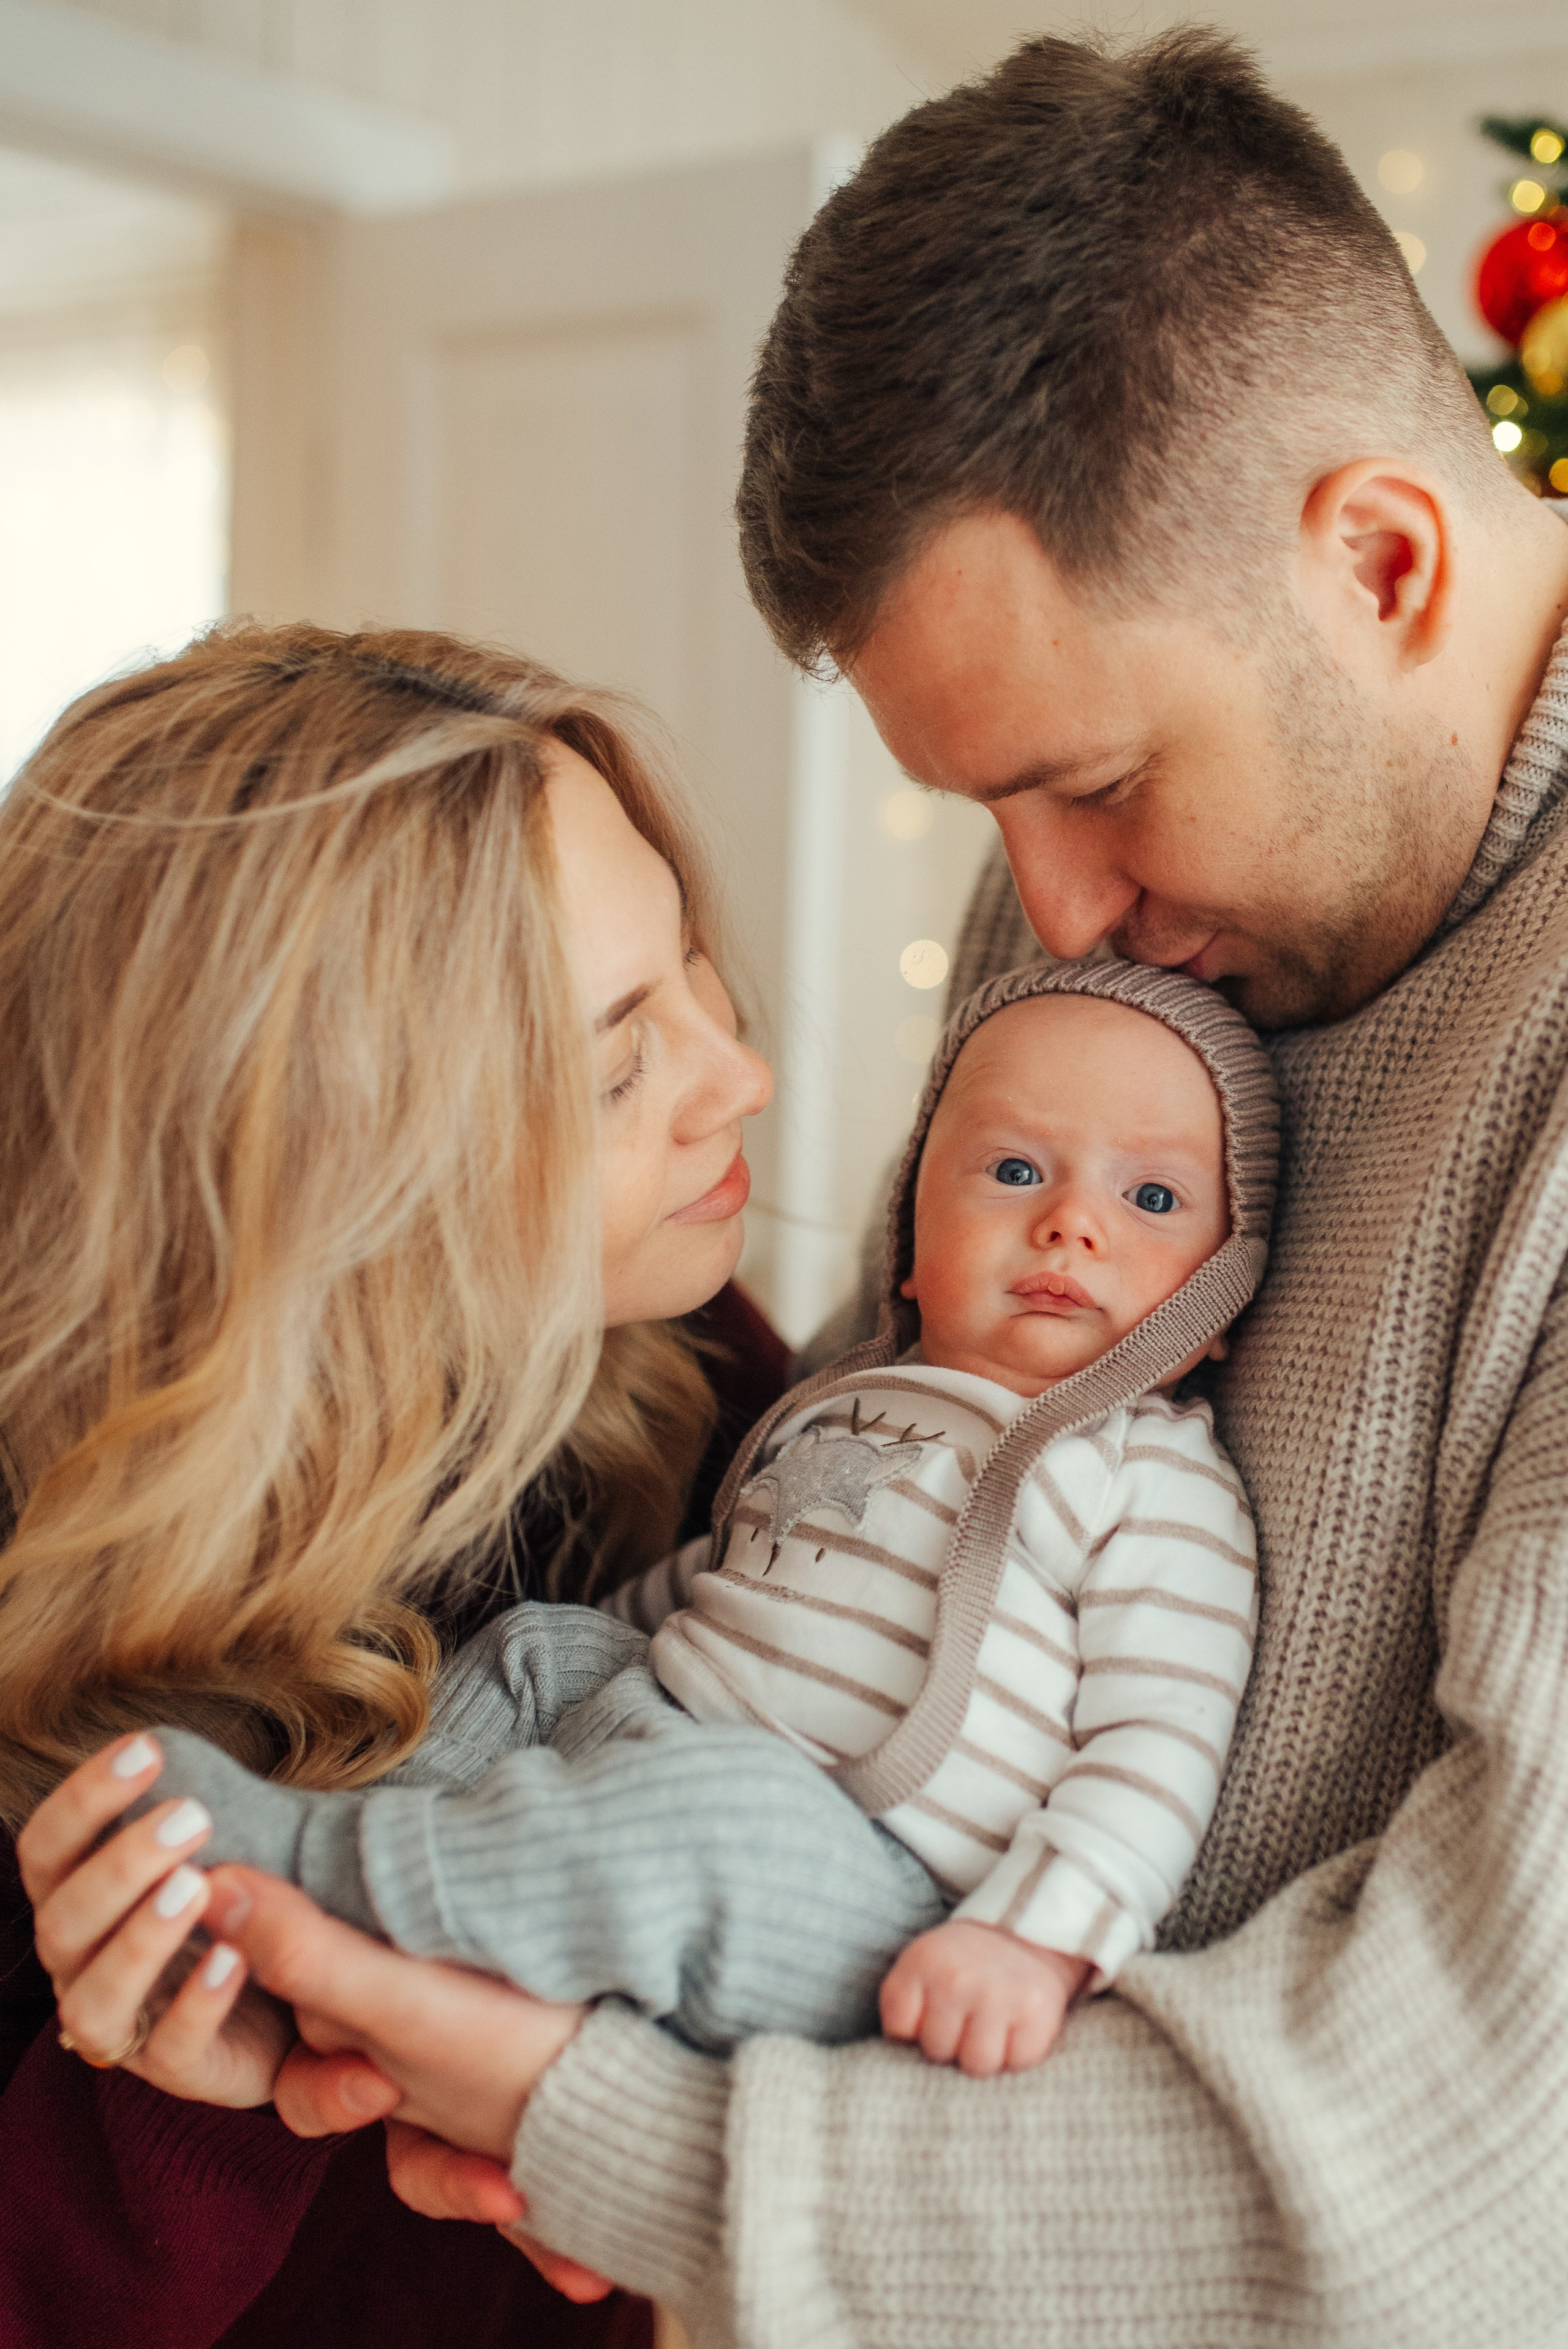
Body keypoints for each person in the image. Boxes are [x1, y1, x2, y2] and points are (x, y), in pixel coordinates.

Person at [24, 25, 1568, 2344]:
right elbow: (844, 1554)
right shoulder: (1110, 909)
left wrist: (612, 2133)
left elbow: (1482, 2164)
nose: (1042, 923)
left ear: (1378, 556)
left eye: (1098, 782)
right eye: (990, 817)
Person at [0, 619, 787, 2349]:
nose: (741, 1075)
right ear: (330, 1183)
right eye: (614, 1060)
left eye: (692, 969)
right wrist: (182, 2101)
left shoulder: (693, 1372)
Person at [105, 961, 1274, 2076]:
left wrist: (1035, 1938)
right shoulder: (849, 1400)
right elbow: (736, 1569)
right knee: (536, 1645)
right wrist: (604, 1658)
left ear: (1219, 1304)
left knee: (711, 1820)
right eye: (1016, 1172)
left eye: (1154, 1198)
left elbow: (1160, 1740)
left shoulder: (1145, 1480)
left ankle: (320, 1875)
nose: (1072, 1223)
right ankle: (388, 1832)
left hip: (851, 1869)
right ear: (911, 1244)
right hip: (674, 1724)